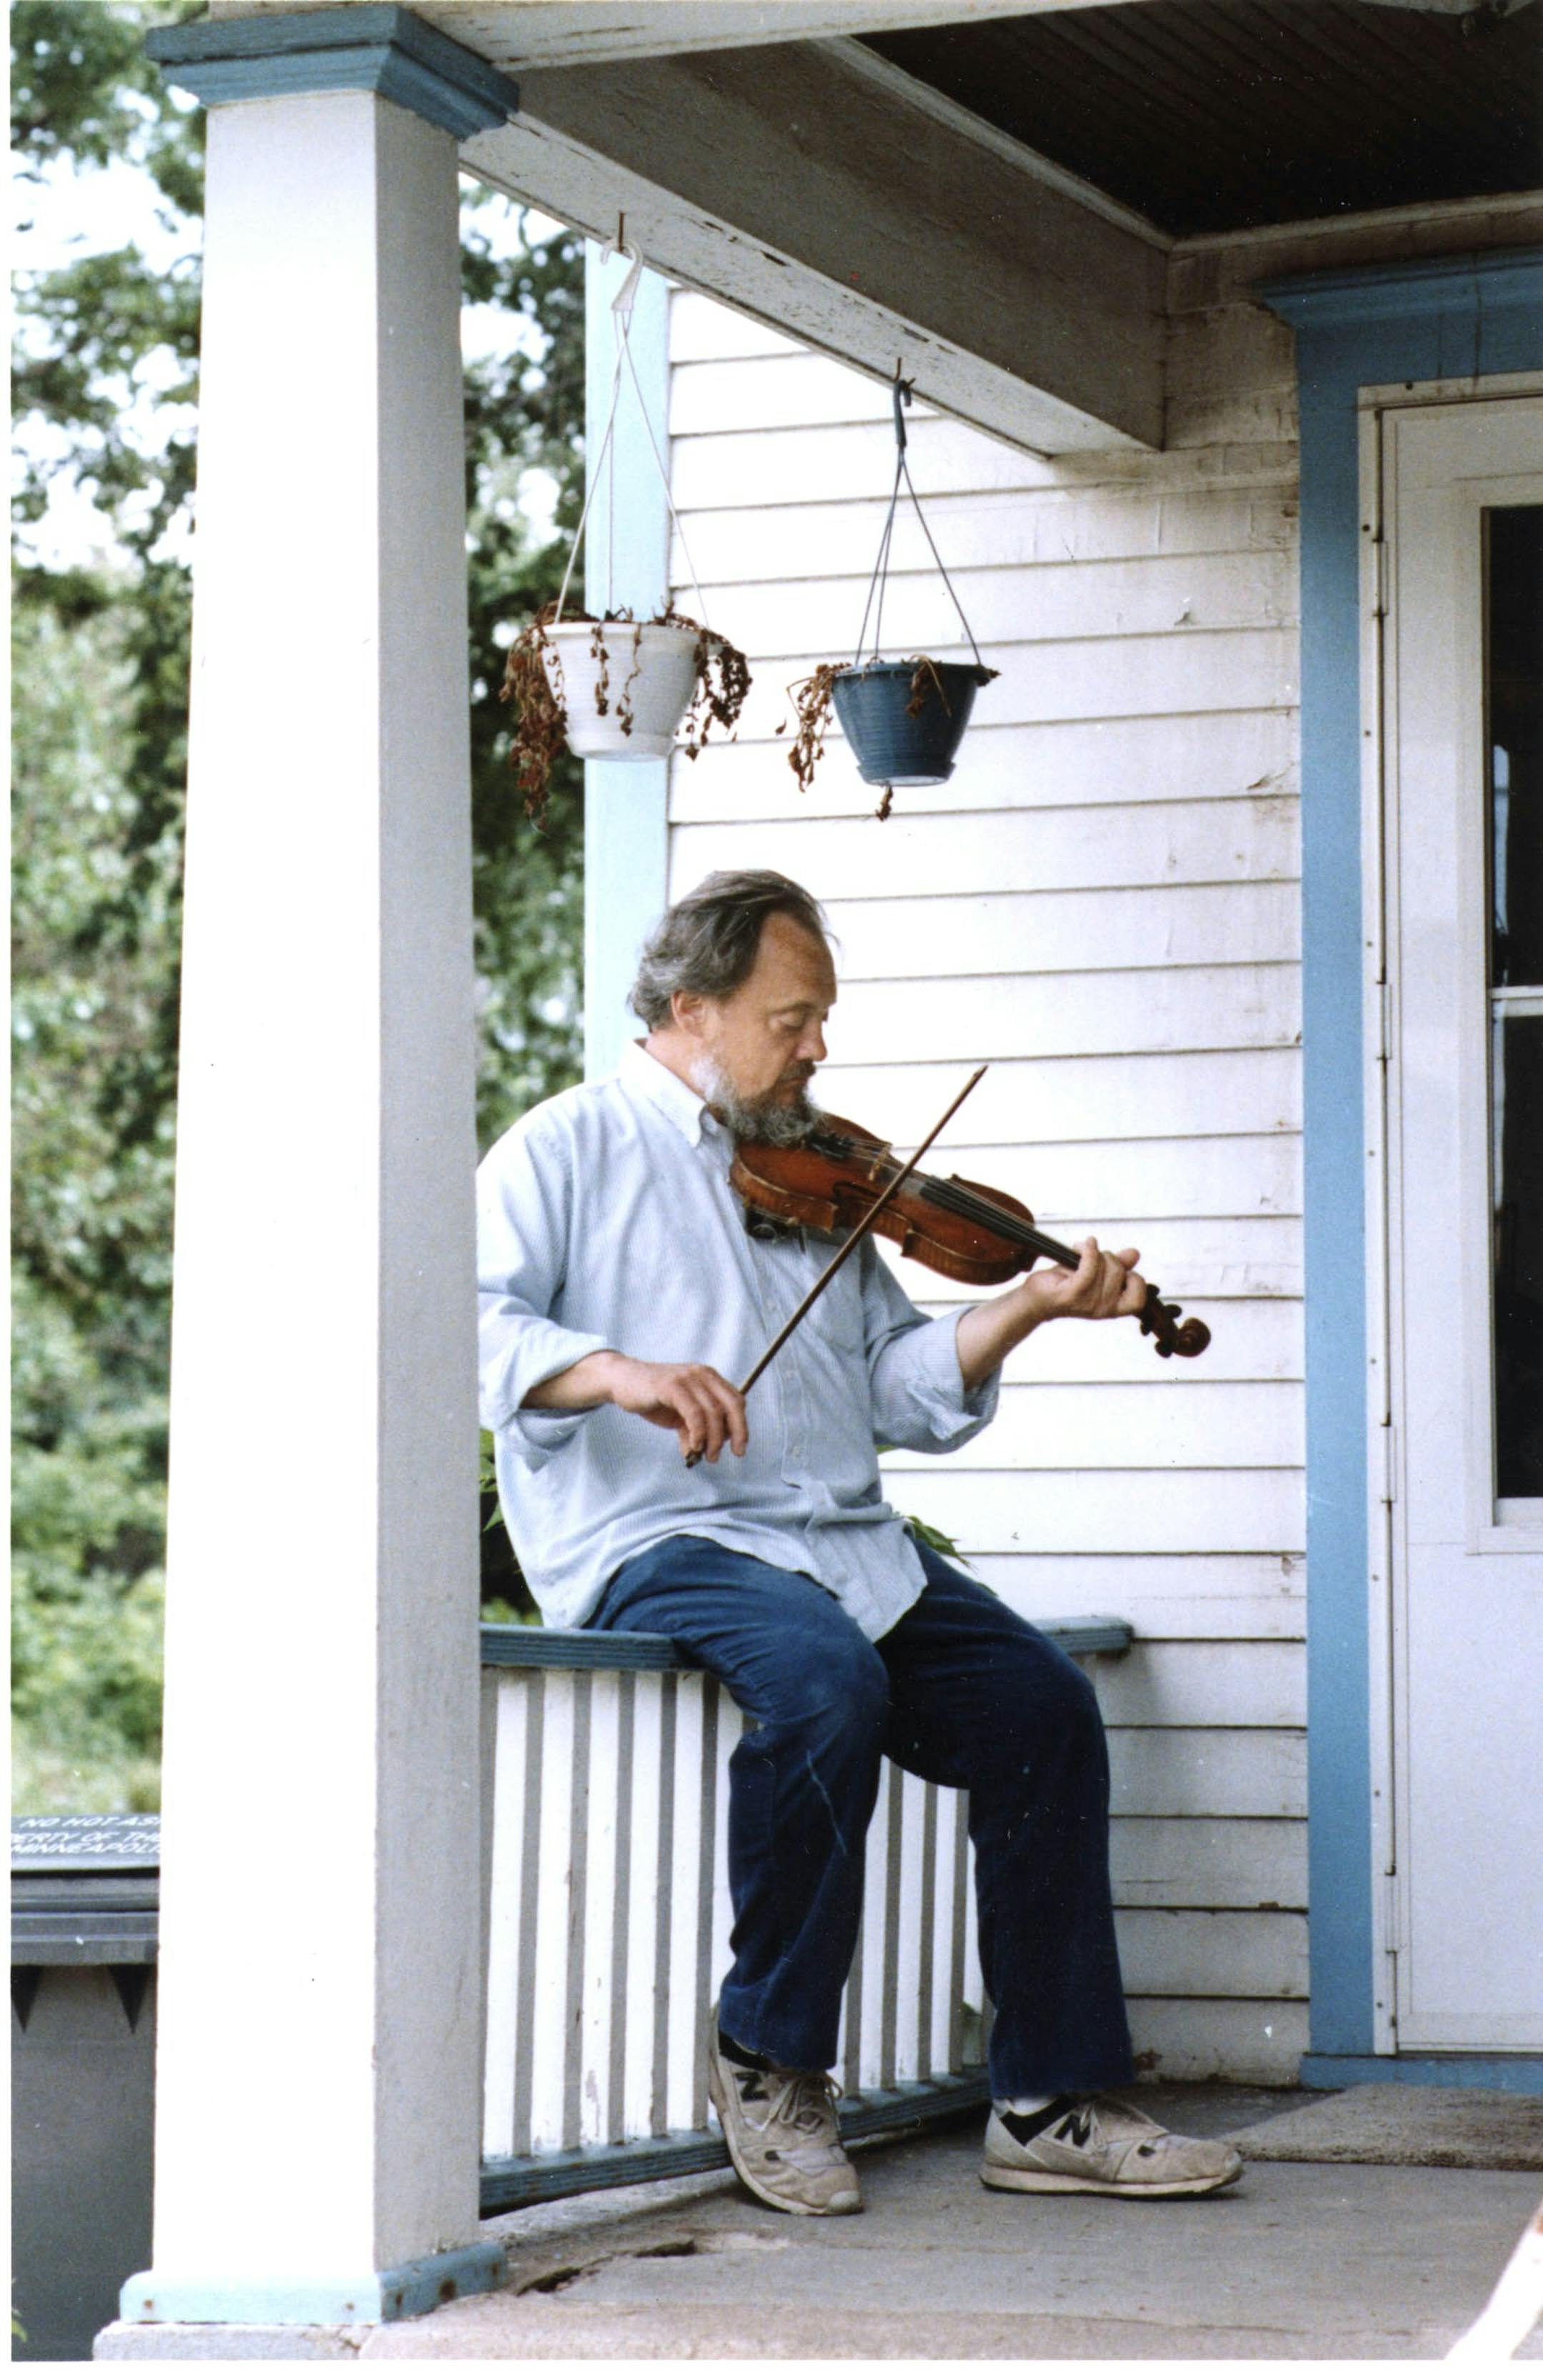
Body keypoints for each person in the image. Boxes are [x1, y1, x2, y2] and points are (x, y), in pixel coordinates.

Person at [477, 868, 1243, 2218]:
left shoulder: (813, 1166)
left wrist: (1023, 1309)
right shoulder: (562, 1149)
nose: (819, 1047)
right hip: (663, 1530)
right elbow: (465, 1327)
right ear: (693, 1007)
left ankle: (1048, 2099)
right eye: (794, 1017)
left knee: (1043, 1706)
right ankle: (769, 2057)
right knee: (824, 1682)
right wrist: (617, 1372)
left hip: (837, 1538)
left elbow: (893, 1384)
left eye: (823, 1017)